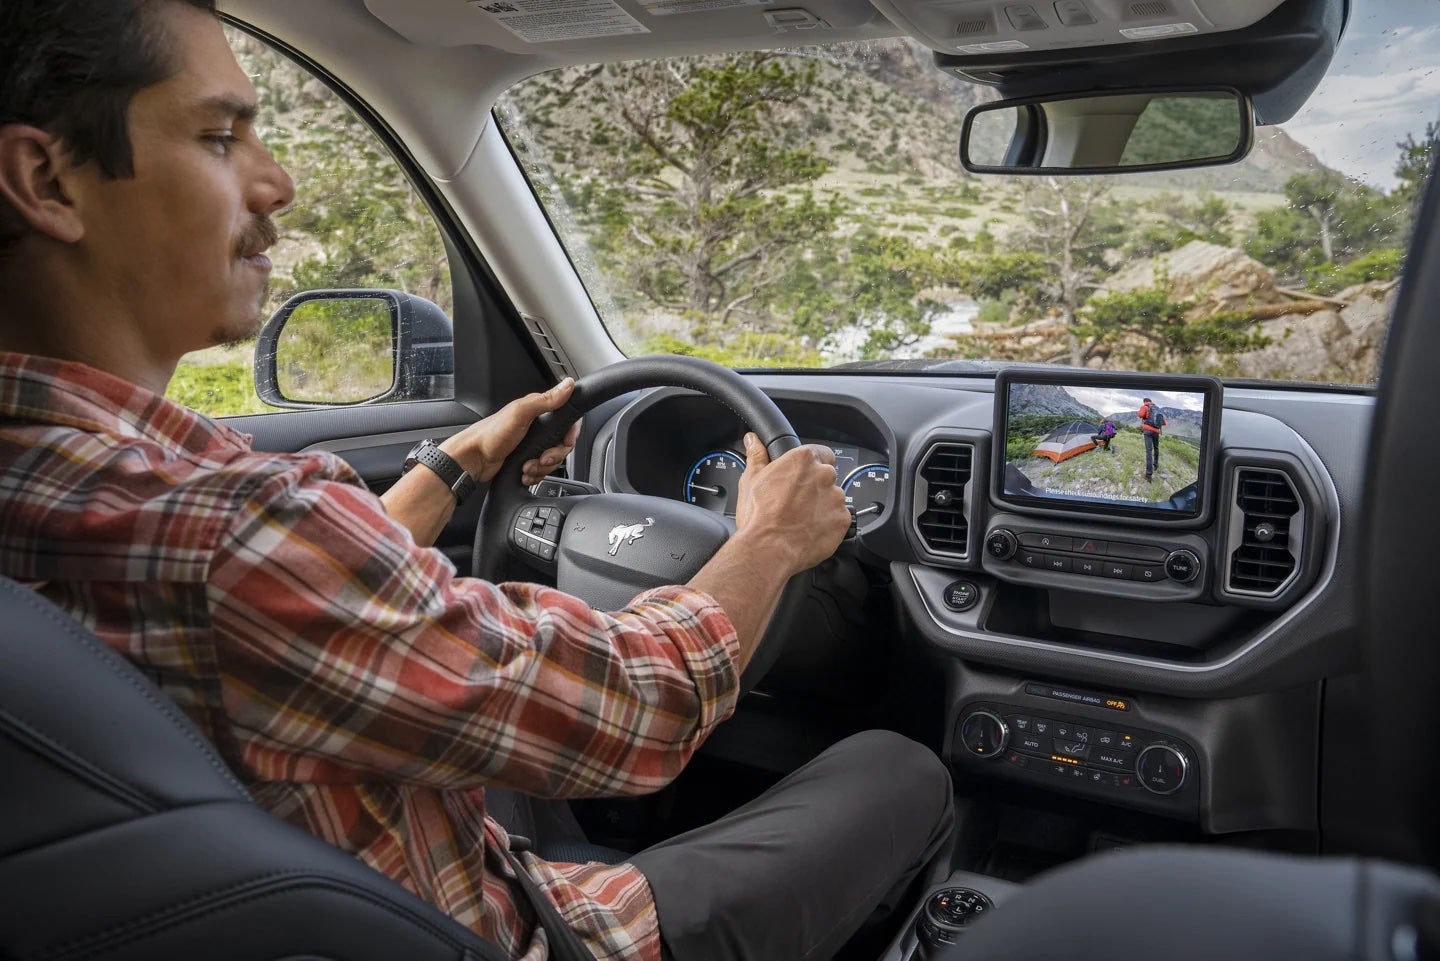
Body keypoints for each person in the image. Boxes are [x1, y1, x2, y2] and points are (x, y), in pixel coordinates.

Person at [0, 3, 954, 960]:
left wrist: (450, 468)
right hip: (501, 935)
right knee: (902, 769)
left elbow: (288, 611)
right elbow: (633, 713)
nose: (277, 183)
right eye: (218, 136)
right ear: (46, 180)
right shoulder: (230, 535)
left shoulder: (94, 494)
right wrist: (769, 542)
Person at [1137, 398, 1167, 481]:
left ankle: (1148, 475)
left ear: (1144, 401)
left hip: (1148, 431)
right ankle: (1155, 465)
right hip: (1156, 432)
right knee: (1156, 448)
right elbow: (1164, 423)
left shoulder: (1145, 407)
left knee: (1149, 451)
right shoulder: (1158, 409)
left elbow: (1140, 415)